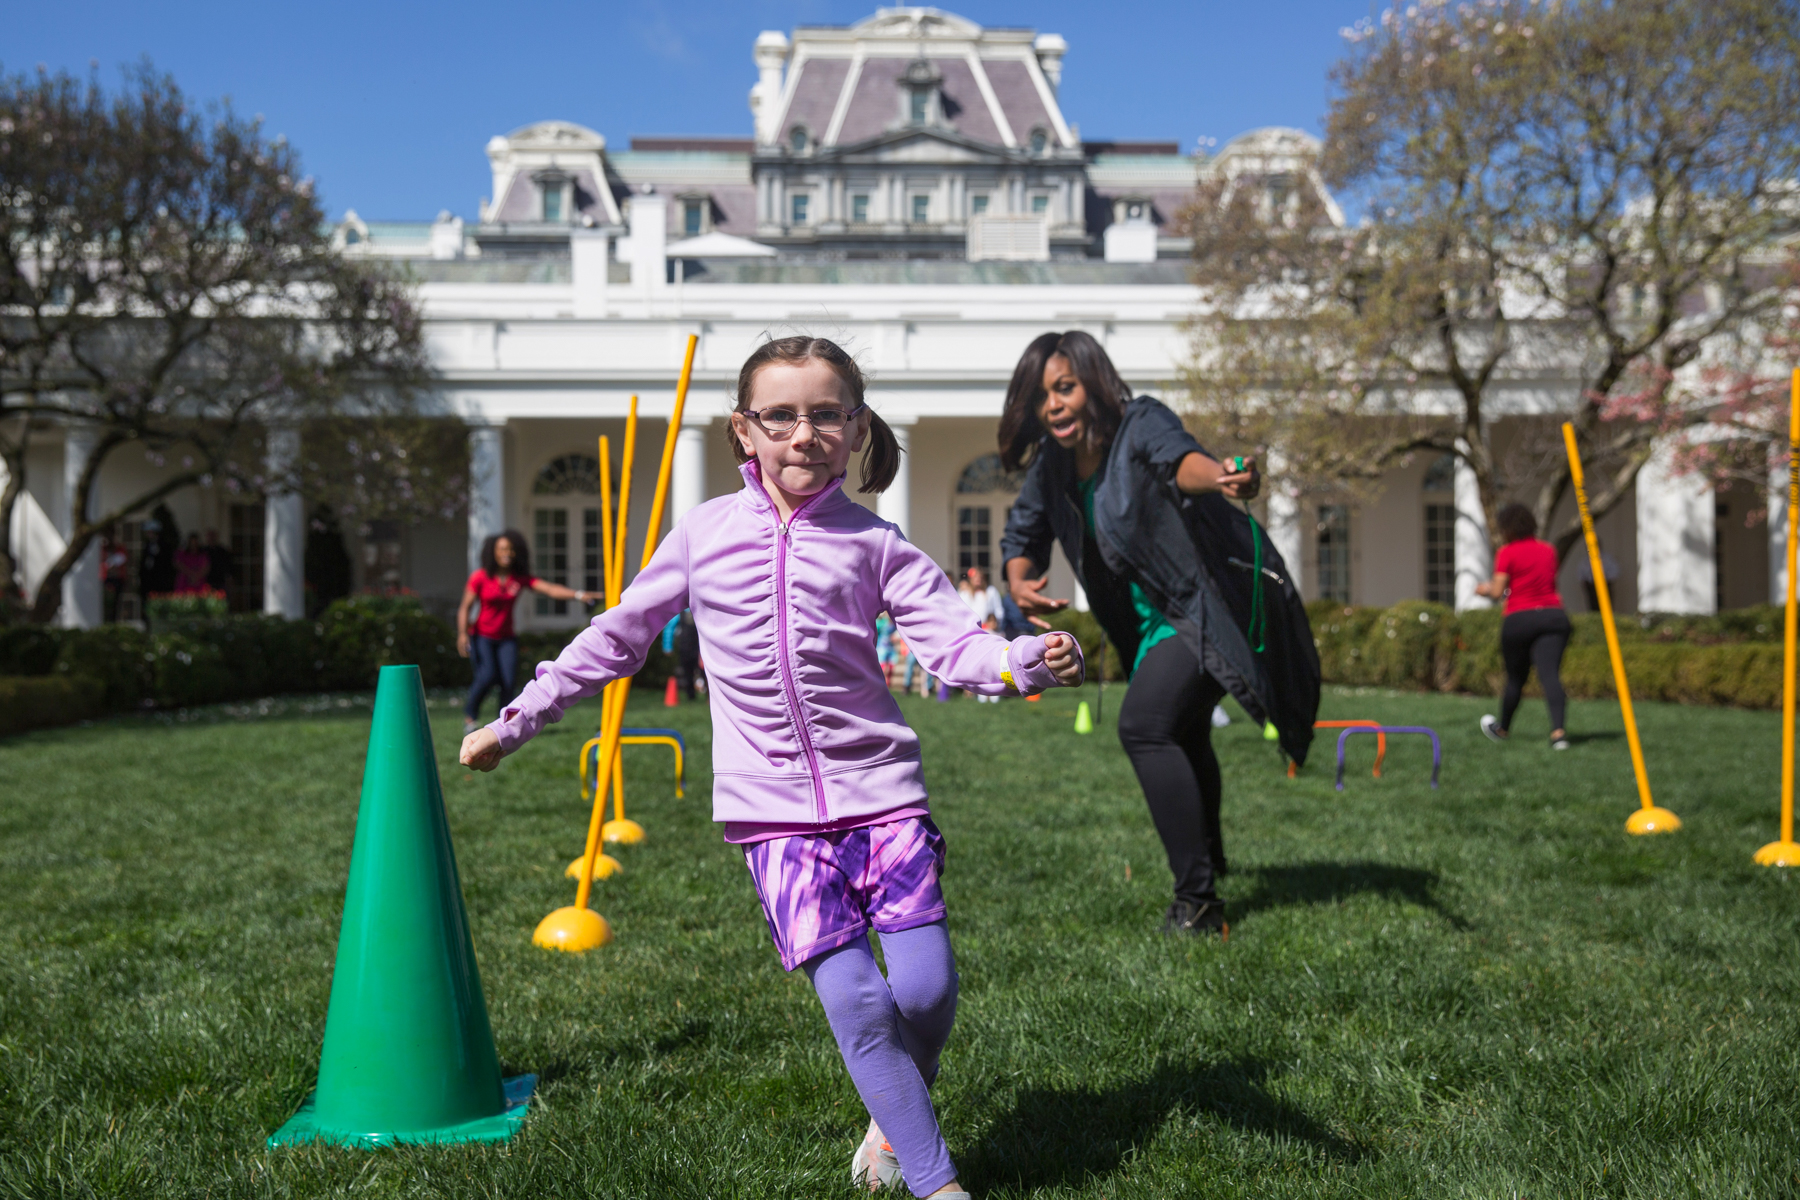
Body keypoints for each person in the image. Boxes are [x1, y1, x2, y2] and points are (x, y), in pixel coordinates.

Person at [460, 335, 1084, 1200]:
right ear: (743, 431)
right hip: (773, 815)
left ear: (857, 429)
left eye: (827, 414)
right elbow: (618, 635)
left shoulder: (877, 543)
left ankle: (891, 1114)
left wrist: (1024, 661)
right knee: (859, 1001)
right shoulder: (703, 534)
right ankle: (937, 1181)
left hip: (885, 798)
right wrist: (521, 717)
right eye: (781, 415)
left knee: (929, 991)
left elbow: (950, 645)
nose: (805, 433)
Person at [998, 330, 1320, 938]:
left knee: (1144, 727)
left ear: (1093, 382)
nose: (1054, 406)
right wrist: (1019, 582)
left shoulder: (1139, 424)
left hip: (1198, 614)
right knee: (1187, 731)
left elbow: (1183, 462)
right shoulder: (1055, 466)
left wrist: (1222, 476)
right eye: (1042, 397)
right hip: (1145, 633)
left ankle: (1197, 904)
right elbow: (1023, 534)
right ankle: (1214, 862)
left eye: (1064, 388)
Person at [456, 530, 596, 734]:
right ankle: (470, 717)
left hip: (506, 638)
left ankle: (502, 724)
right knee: (486, 675)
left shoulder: (518, 579)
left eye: (510, 549)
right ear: (493, 552)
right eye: (502, 549)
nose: (507, 553)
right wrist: (461, 634)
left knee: (508, 680)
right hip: (482, 636)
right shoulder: (480, 578)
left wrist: (579, 594)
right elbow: (465, 607)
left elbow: (549, 589)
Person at [1476, 503, 1572, 750]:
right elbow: (1542, 583)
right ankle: (1558, 734)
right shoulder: (1549, 550)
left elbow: (1498, 591)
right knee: (1549, 675)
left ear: (1507, 528)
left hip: (1520, 619)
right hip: (1553, 616)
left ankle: (1503, 728)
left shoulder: (1507, 552)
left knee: (1516, 678)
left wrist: (1484, 589)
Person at [956, 567, 1004, 702]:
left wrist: (996, 623)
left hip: (988, 631)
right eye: (975, 577)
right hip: (971, 632)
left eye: (980, 577)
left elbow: (998, 611)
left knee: (989, 661)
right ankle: (972, 689)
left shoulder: (991, 592)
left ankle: (992, 691)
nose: (978, 580)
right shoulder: (965, 593)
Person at [1574, 536, 1619, 613]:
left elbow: (1615, 572)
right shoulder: (1585, 561)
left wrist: (1606, 580)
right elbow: (1581, 575)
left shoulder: (1607, 559)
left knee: (1606, 610)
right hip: (1591, 588)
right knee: (1593, 610)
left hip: (1605, 586)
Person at [203, 529, 235, 597]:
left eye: (213, 536)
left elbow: (228, 566)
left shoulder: (222, 551)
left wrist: (229, 578)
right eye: (209, 536)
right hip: (207, 580)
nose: (211, 539)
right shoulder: (203, 551)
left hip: (220, 580)